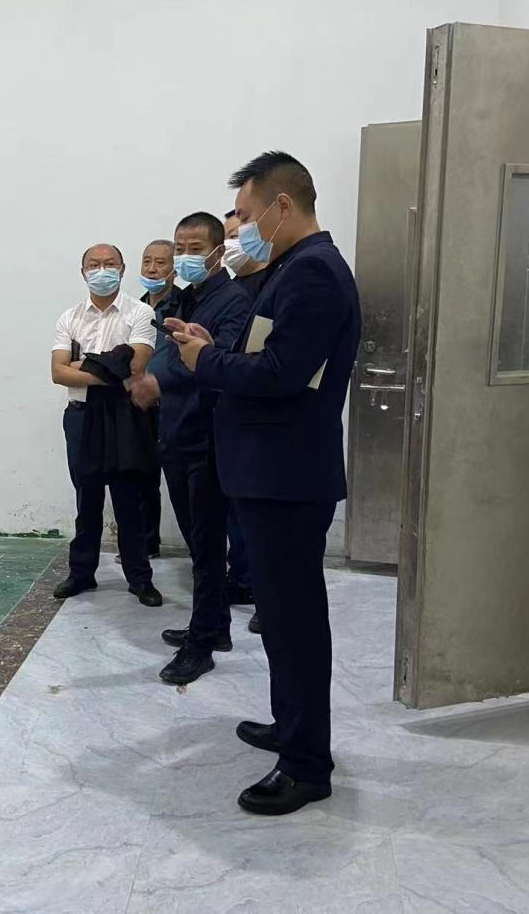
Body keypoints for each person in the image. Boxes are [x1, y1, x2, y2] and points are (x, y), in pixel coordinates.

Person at [170, 151, 360, 816]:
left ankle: (306, 765)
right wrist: (211, 345)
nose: (240, 230)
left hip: (287, 476)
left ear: (282, 205)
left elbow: (281, 374)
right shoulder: (291, 269)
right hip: (271, 472)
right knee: (280, 619)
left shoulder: (313, 273)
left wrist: (204, 361)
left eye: (245, 215)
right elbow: (266, 356)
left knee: (295, 622)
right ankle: (291, 726)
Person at [128, 214, 250, 685]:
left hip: (207, 438)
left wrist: (157, 382)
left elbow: (216, 361)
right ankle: (214, 625)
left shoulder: (233, 301)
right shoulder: (185, 297)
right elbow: (165, 350)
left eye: (194, 249)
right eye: (179, 248)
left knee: (206, 544)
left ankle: (201, 645)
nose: (184, 257)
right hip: (176, 433)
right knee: (199, 543)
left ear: (218, 251)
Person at [51, 243, 164, 608]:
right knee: (86, 498)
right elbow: (57, 372)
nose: (102, 270)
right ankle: (81, 572)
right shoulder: (69, 317)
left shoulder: (140, 312)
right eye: (94, 264)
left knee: (129, 499)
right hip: (81, 416)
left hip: (124, 415)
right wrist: (111, 366)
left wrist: (82, 364)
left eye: (110, 263)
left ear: (122, 268)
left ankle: (139, 578)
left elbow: (135, 365)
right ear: (83, 271)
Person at [221, 208, 268, 628]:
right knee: (237, 510)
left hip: (267, 416)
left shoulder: (276, 283)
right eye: (228, 237)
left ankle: (269, 600)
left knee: (264, 519)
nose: (232, 244)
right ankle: (242, 579)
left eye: (238, 234)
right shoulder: (233, 289)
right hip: (232, 411)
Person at [123, 239, 180, 564]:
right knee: (142, 475)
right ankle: (147, 542)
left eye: (160, 262)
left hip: (172, 402)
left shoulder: (183, 305)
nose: (152, 269)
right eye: (147, 262)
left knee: (181, 479)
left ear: (174, 268)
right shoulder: (134, 308)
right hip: (138, 403)